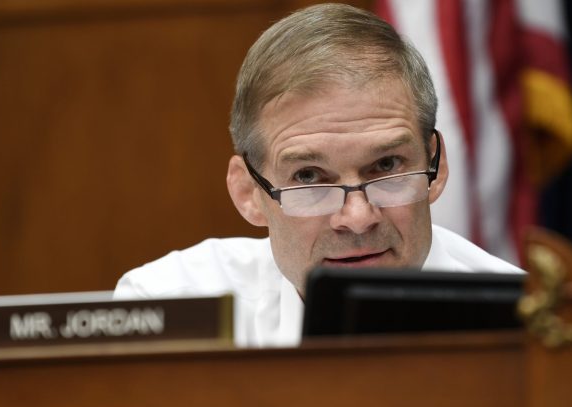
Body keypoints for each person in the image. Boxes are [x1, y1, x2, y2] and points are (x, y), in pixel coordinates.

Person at [114, 3, 522, 347]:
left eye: (387, 166)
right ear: (247, 192)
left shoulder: (527, 326)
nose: (358, 217)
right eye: (309, 177)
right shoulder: (173, 309)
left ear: (437, 165)